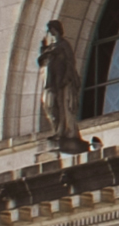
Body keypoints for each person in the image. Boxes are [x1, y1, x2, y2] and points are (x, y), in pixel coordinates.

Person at [35, 20, 89, 152]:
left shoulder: (64, 45)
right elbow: (43, 62)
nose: (51, 32)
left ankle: (63, 131)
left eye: (52, 29)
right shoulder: (51, 47)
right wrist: (45, 51)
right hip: (51, 83)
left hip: (62, 82)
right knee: (50, 105)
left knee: (62, 105)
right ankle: (57, 130)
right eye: (50, 30)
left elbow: (70, 62)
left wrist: (67, 77)